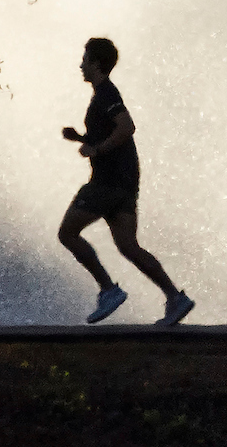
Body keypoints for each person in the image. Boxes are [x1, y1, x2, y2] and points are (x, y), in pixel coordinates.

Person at [58, 36, 195, 326]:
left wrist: (96, 148)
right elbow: (112, 135)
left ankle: (108, 290)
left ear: (96, 63)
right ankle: (175, 297)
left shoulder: (107, 93)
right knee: (128, 246)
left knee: (67, 233)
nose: (80, 65)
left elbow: (127, 127)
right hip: (125, 184)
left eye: (84, 59)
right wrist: (82, 139)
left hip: (107, 183)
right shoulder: (102, 95)